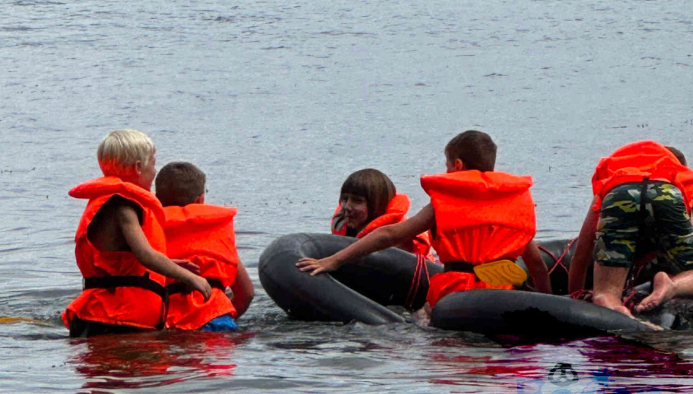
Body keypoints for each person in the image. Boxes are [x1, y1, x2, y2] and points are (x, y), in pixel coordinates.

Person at [297, 130, 552, 309]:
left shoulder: (445, 202)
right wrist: (549, 303)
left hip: (457, 299)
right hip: (503, 293)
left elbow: (390, 235)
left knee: (422, 320)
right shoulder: (514, 202)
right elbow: (537, 264)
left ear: (458, 165)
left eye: (447, 164)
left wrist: (333, 260)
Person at [62, 129, 212, 337]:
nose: (154, 171)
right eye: (152, 163)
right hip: (114, 319)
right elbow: (146, 255)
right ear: (139, 167)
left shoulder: (108, 201)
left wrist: (171, 266)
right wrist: (191, 278)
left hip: (105, 316)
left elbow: (122, 261)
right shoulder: (123, 207)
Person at [568, 141, 693, 316]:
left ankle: (614, 304)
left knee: (606, 293)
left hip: (620, 191)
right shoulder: (679, 178)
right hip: (666, 192)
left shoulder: (616, 175)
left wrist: (574, 298)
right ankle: (672, 285)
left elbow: (581, 253)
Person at [155, 161, 254, 331]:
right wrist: (225, 314)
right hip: (217, 320)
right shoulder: (216, 233)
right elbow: (247, 293)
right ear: (199, 199)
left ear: (156, 198)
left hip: (168, 322)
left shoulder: (149, 233)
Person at [331, 168, 435, 261]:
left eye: (357, 201)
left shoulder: (400, 236)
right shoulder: (342, 223)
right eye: (345, 199)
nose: (347, 207)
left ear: (377, 205)